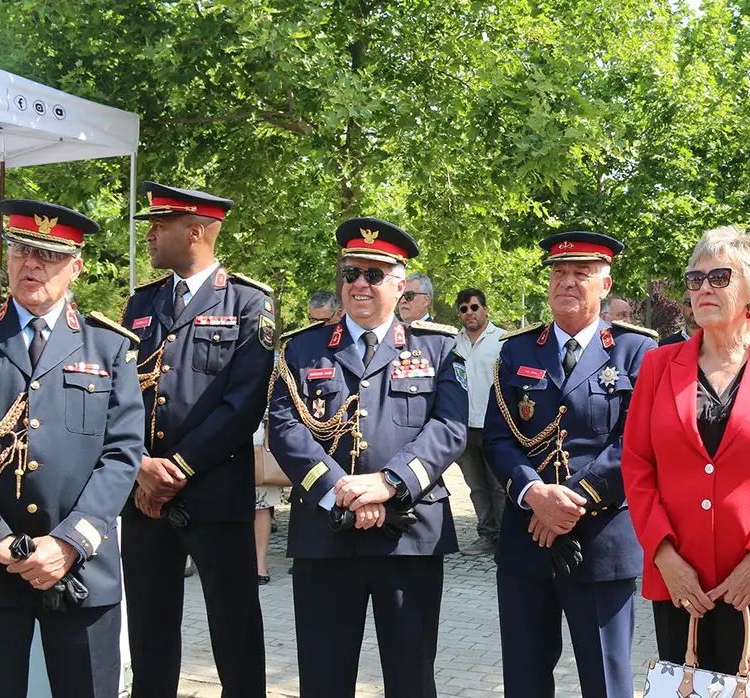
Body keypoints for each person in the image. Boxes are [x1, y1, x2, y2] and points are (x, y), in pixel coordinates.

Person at [267, 218, 467, 698]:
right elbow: (284, 427)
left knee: (411, 676)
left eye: (374, 274)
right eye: (350, 272)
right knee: (323, 675)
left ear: (401, 286)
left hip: (409, 533)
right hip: (326, 534)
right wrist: (341, 489)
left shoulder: (437, 348)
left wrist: (389, 483)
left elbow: (450, 428)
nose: (359, 283)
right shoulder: (302, 347)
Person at [0, 199, 143, 697]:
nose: (32, 264)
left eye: (50, 255)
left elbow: (123, 453)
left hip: (81, 564)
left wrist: (69, 543)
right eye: (21, 249)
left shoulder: (108, 347)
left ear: (76, 266)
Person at [623, 225, 750, 681]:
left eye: (720, 277)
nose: (703, 288)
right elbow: (636, 466)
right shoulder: (657, 364)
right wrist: (664, 556)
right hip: (678, 578)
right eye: (695, 279)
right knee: (683, 689)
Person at [484, 231, 657, 698]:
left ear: (606, 284)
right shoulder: (517, 350)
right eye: (559, 272)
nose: (567, 282)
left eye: (582, 273)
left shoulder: (637, 351)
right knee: (524, 678)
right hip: (526, 539)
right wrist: (535, 494)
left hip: (600, 542)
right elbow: (498, 439)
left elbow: (637, 444)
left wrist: (571, 502)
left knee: (605, 681)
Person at [120, 182, 273, 698]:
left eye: (160, 225)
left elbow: (244, 404)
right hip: (143, 496)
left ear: (196, 232)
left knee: (234, 630)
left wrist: (178, 468)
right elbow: (120, 396)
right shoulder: (142, 303)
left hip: (213, 494)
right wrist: (141, 465)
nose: (150, 234)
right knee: (149, 627)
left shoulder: (250, 303)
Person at [451, 288, 506, 555]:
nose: (469, 313)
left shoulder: (503, 340)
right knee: (476, 486)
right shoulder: (452, 342)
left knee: (499, 486)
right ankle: (487, 535)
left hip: (495, 425)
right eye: (463, 309)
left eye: (474, 307)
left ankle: (507, 538)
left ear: (485, 309)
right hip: (464, 427)